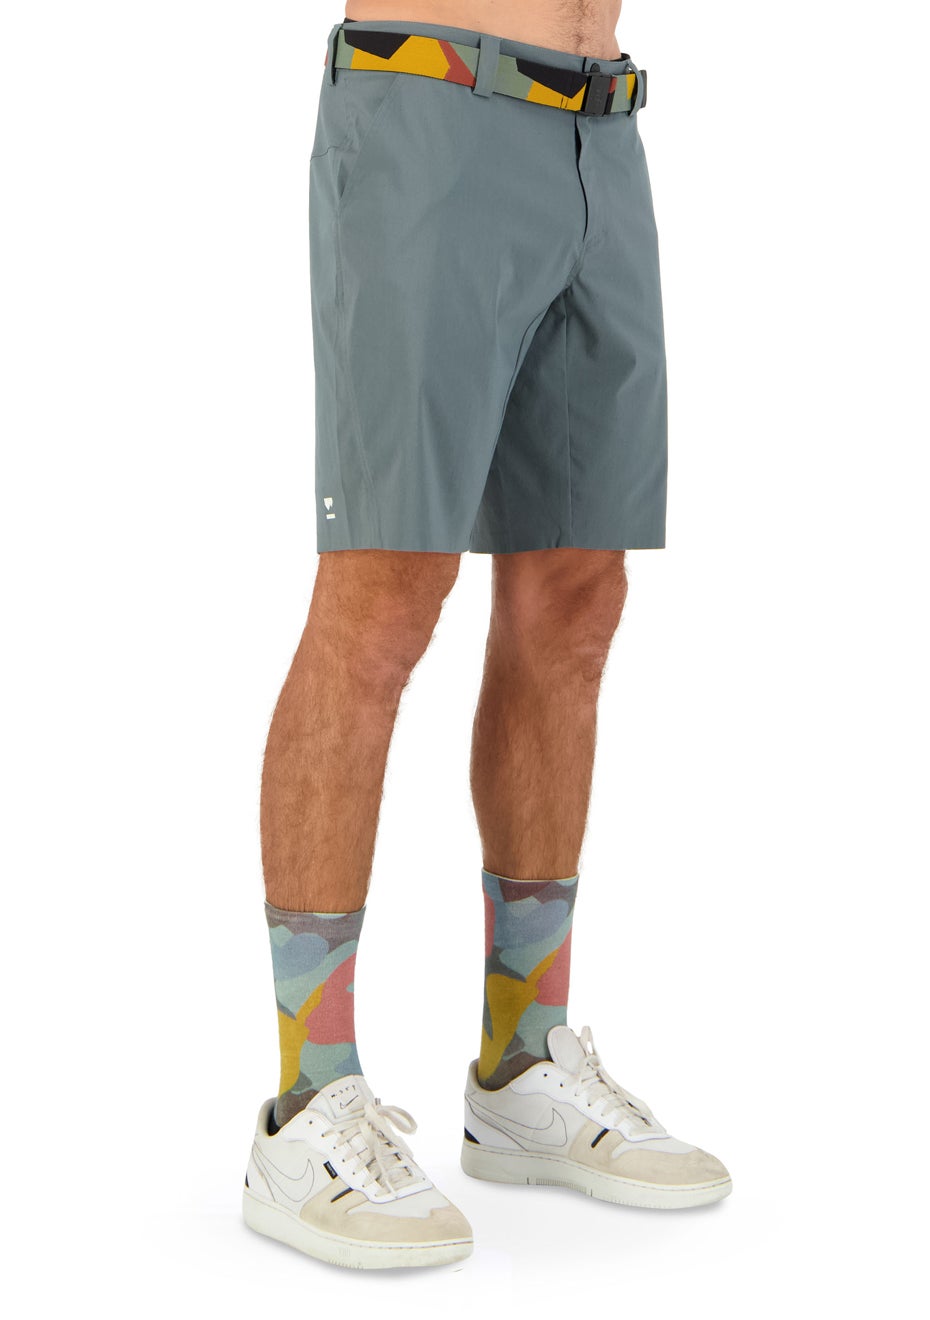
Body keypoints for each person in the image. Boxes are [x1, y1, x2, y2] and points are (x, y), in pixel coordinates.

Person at [242, 1, 731, 1271]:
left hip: (600, 132)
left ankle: (520, 1065)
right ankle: (308, 1103)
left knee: (575, 593)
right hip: (433, 104)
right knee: (385, 594)